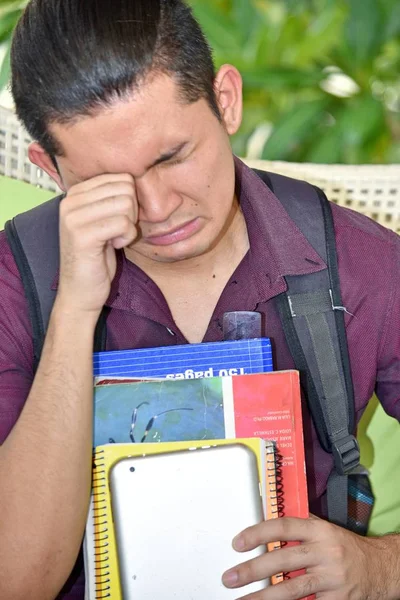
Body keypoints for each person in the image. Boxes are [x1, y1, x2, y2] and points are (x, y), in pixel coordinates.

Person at [0, 0, 399, 599]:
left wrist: (379, 570)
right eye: (107, 185)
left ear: (227, 100)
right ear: (50, 170)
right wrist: (74, 312)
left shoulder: (361, 267)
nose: (158, 211)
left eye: (173, 156)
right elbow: (15, 582)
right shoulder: (17, 281)